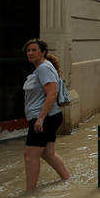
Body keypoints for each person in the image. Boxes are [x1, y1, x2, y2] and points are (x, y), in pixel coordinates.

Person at [22, 39, 71, 190]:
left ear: (43, 52)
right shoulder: (42, 68)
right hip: (49, 117)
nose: (30, 53)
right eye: (28, 50)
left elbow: (52, 94)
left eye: (34, 50)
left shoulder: (43, 68)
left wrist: (41, 118)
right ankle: (68, 180)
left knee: (30, 156)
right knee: (48, 154)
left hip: (45, 117)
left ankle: (30, 192)